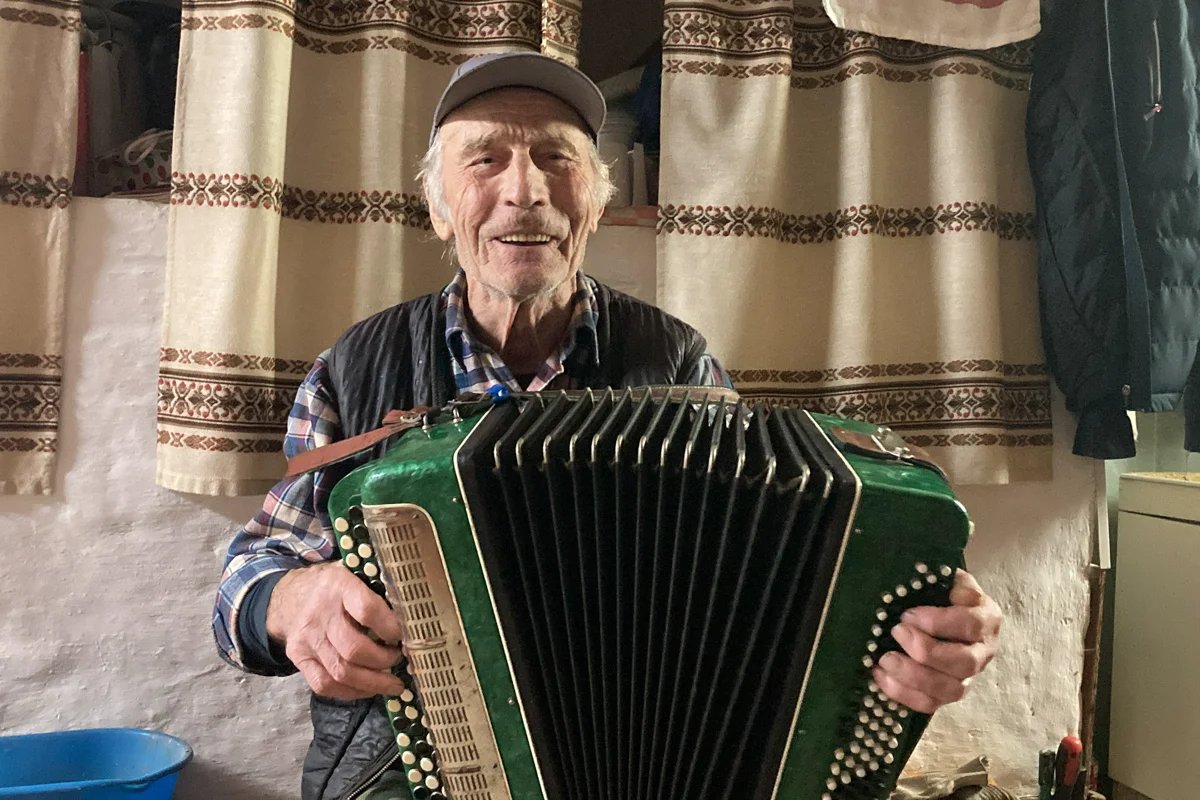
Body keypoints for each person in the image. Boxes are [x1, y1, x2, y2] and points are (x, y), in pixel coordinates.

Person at [213, 52, 1003, 799]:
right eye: (485, 159)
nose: (525, 190)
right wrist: (289, 599)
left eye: (557, 159)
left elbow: (777, 579)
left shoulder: (678, 361)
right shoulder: (356, 368)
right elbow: (247, 581)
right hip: (402, 773)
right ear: (438, 207)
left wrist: (914, 619)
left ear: (595, 200)